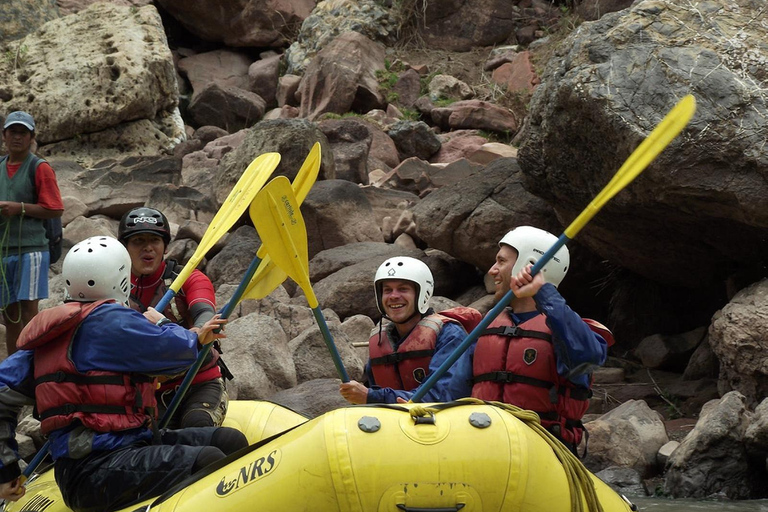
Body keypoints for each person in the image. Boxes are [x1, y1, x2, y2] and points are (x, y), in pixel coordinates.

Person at [0, 236, 247, 512]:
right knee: (209, 459)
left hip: (107, 458)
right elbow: (178, 354)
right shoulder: (114, 320)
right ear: (121, 278)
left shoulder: (50, 335)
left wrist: (6, 469)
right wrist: (175, 327)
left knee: (227, 440)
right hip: (96, 470)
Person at [471, 226, 613, 453]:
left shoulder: (567, 330)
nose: (492, 270)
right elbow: (452, 388)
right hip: (485, 443)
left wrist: (543, 291)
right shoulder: (488, 324)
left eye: (501, 262)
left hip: (543, 448)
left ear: (528, 266)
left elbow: (589, 358)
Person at [117, 207, 228, 429]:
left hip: (199, 383)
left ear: (165, 247)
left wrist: (198, 332)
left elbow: (203, 311)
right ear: (124, 248)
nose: (148, 248)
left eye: (154, 241)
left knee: (197, 425)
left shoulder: (188, 278)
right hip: (148, 393)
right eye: (138, 241)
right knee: (148, 443)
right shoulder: (114, 288)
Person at [339, 256, 474, 404]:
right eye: (387, 290)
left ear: (422, 293)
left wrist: (372, 396)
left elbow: (443, 396)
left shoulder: (449, 334)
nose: (393, 296)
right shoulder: (382, 340)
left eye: (403, 289)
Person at [0, 111, 64, 356]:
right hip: (3, 251)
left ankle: (31, 364)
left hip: (33, 251)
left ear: (31, 137)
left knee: (28, 311)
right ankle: (12, 366)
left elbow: (55, 208)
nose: (17, 137)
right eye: (13, 132)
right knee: (8, 313)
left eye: (23, 133)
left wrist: (20, 209)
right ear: (4, 135)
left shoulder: (39, 168)